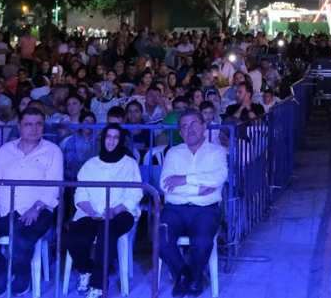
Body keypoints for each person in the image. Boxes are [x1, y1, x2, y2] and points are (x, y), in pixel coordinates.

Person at [0, 107, 62, 297]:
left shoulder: (52, 151)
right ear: (19, 126)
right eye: (28, 124)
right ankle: (3, 269)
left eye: (38, 124)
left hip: (39, 210)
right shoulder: (5, 150)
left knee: (21, 238)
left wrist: (36, 207)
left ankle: (22, 273)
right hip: (4, 211)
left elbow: (55, 187)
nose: (34, 129)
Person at [159, 109, 229, 298]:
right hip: (174, 209)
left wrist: (184, 179)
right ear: (180, 133)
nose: (189, 130)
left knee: (202, 241)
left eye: (193, 124)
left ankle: (196, 278)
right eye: (184, 126)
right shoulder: (173, 153)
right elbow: (165, 184)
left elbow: (219, 177)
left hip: (206, 210)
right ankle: (183, 274)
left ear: (204, 127)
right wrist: (198, 188)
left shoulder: (216, 152)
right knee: (160, 239)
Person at [68, 124, 142, 298]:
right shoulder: (90, 164)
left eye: (116, 137)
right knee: (75, 236)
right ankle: (86, 269)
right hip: (90, 212)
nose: (111, 141)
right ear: (103, 139)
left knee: (106, 231)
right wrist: (92, 212)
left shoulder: (129, 163)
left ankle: (98, 284)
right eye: (109, 136)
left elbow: (136, 192)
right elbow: (80, 193)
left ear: (121, 140)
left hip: (121, 213)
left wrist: (115, 210)